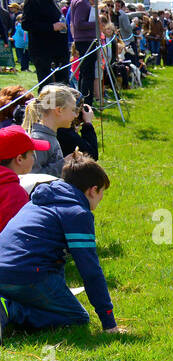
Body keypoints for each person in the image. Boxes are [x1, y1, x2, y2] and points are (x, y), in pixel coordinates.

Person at [0, 152, 119, 341]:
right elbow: (90, 271)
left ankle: (6, 303)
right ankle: (11, 310)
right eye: (102, 191)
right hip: (27, 274)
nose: (101, 197)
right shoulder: (78, 213)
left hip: (3, 271)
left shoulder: (38, 200)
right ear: (92, 190)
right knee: (77, 318)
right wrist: (109, 322)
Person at [22, 0, 70, 88]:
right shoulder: (33, 1)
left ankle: (60, 106)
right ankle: (47, 106)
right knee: (47, 88)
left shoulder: (53, 2)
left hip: (59, 53)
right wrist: (52, 27)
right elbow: (26, 24)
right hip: (43, 52)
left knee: (62, 87)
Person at [0, 125, 43, 232]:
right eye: (32, 154)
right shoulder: (14, 194)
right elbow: (14, 236)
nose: (34, 159)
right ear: (19, 159)